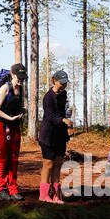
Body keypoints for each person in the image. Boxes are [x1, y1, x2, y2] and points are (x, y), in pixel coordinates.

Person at [0, 63, 27, 201]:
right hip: (0, 124)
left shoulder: (21, 89)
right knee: (3, 157)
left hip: (14, 125)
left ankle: (13, 188)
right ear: (13, 74)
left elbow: (18, 105)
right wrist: (10, 118)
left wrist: (21, 111)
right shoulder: (5, 88)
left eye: (23, 77)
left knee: (14, 157)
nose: (21, 80)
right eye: (19, 77)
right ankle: (1, 189)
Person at [38, 69, 72, 204]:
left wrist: (67, 115)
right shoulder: (48, 97)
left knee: (58, 164)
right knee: (48, 163)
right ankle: (44, 194)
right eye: (61, 83)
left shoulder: (64, 94)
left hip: (60, 135)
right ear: (54, 81)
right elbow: (51, 117)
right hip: (48, 134)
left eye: (65, 83)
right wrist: (63, 120)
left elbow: (63, 111)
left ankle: (56, 194)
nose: (63, 85)